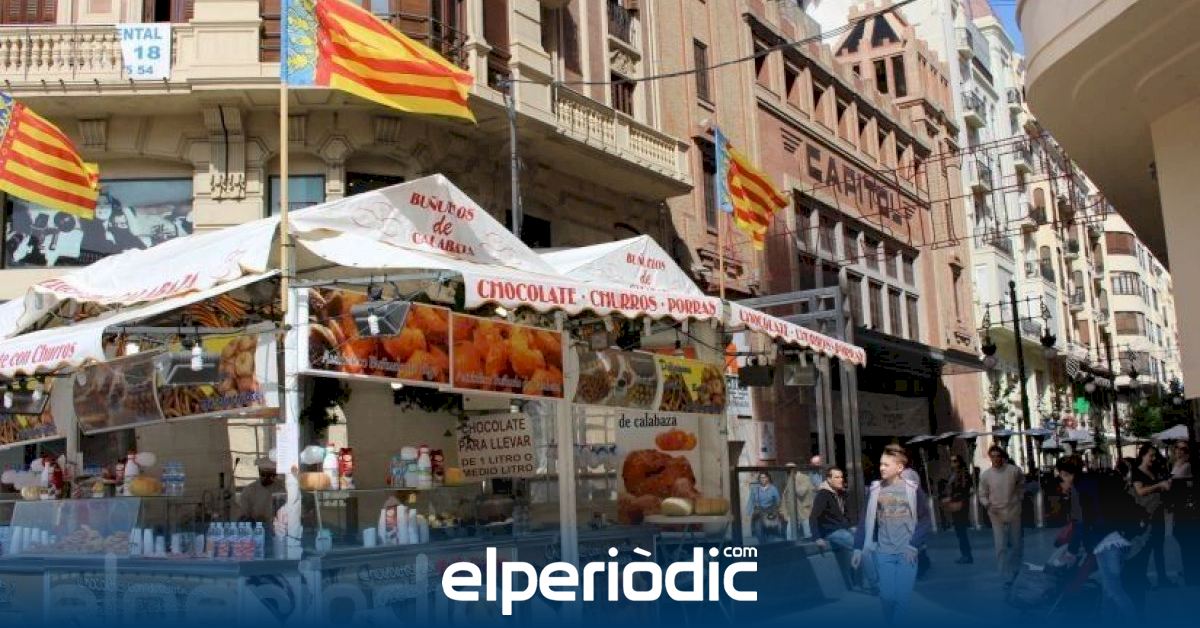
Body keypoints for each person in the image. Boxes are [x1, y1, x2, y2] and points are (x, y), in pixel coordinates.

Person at [852, 445, 932, 626]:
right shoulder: (875, 490)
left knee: (902, 598)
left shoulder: (912, 489)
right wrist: (857, 548)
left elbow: (925, 520)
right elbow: (864, 520)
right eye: (881, 464)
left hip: (907, 553)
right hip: (884, 553)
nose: (881, 468)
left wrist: (914, 544)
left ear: (899, 468)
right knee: (887, 596)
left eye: (886, 465)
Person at [1057, 456, 1140, 622]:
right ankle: (1105, 619)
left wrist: (1072, 551)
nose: (1062, 484)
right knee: (1108, 588)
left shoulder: (1079, 490)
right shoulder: (1093, 481)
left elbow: (1080, 523)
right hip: (1115, 537)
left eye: (1061, 479)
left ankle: (1136, 621)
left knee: (1113, 590)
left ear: (1067, 474)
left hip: (1105, 542)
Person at [978, 445, 1024, 587]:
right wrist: (988, 505)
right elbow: (982, 494)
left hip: (1013, 511)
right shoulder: (986, 475)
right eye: (993, 456)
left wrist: (1019, 497)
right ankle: (1004, 576)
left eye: (998, 456)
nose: (996, 459)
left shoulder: (1014, 471)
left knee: (1016, 544)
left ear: (1002, 457)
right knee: (1000, 546)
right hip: (996, 513)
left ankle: (1015, 570)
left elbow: (1022, 484)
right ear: (990, 457)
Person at [1169, 441, 1198, 585]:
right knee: (1184, 540)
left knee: (1187, 541)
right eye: (1177, 448)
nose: (1179, 451)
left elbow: (1173, 481)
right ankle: (1189, 571)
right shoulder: (1177, 465)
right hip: (1180, 508)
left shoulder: (1186, 466)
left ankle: (1191, 574)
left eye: (1183, 449)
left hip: (1186, 510)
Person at [943, 454, 974, 564]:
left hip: (961, 505)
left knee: (961, 531)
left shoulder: (963, 474)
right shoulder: (953, 474)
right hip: (955, 504)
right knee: (959, 531)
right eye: (952, 461)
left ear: (960, 462)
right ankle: (965, 554)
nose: (953, 463)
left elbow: (964, 490)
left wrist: (951, 498)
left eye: (955, 461)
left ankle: (967, 555)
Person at [239, 458, 284, 525]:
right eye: (263, 474)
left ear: (275, 475)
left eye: (270, 475)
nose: (267, 478)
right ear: (259, 472)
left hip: (278, 527)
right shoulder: (249, 490)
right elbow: (243, 515)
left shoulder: (281, 489)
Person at [748, 472, 783, 545]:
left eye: (764, 477)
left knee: (770, 534)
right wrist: (750, 512)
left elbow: (778, 501)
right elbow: (751, 501)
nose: (763, 479)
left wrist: (778, 511)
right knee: (759, 533)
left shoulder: (773, 489)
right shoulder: (755, 489)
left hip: (769, 513)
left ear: (768, 478)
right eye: (761, 478)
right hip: (759, 513)